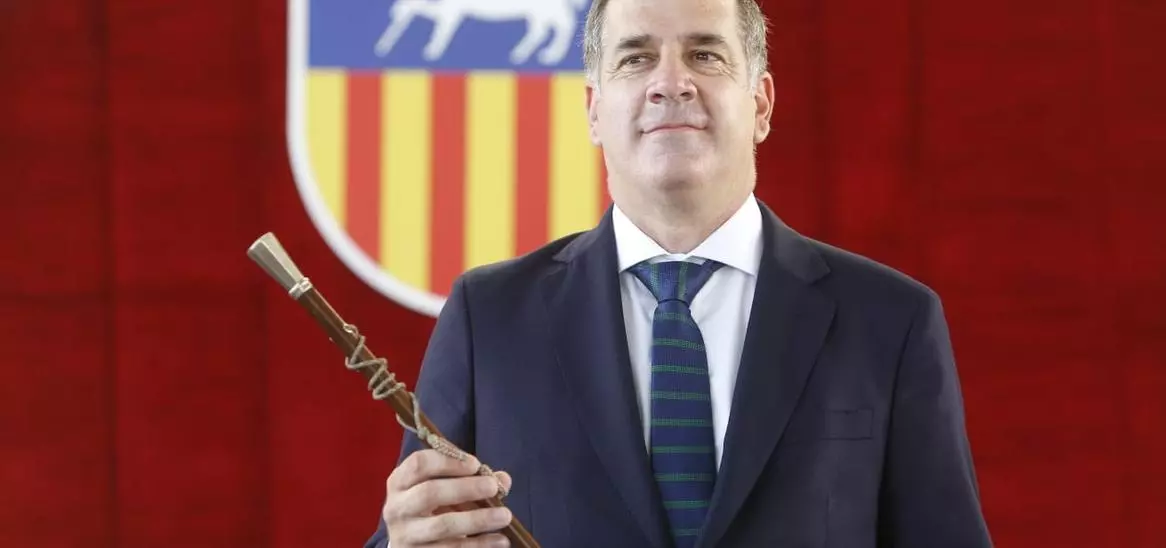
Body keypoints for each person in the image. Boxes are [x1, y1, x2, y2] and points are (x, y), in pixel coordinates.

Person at [366, 0, 992, 546]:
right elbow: (422, 531)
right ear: (593, 111)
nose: (671, 83)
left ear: (761, 104)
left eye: (705, 55)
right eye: (636, 58)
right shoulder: (489, 318)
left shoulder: (891, 320)